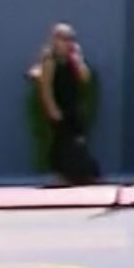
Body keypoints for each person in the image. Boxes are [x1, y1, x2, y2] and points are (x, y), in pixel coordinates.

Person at [31, 22, 99, 185]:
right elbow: (46, 87)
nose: (68, 43)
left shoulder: (72, 60)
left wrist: (78, 60)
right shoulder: (50, 61)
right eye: (64, 39)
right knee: (62, 142)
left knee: (78, 140)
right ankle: (61, 175)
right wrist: (52, 108)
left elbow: (85, 78)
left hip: (72, 105)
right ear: (55, 40)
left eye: (71, 39)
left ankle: (82, 174)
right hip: (59, 106)